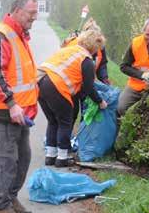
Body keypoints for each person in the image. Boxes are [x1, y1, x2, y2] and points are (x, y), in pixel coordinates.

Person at [0, 0, 39, 213]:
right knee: (7, 161)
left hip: (22, 113)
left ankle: (12, 197)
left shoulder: (19, 35)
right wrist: (11, 103)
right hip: (6, 112)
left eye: (36, 13)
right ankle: (2, 207)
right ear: (17, 11)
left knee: (24, 158)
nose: (34, 18)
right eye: (31, 13)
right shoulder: (1, 35)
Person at [38, 29, 108, 167]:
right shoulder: (86, 60)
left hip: (40, 83)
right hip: (56, 86)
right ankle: (62, 158)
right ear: (94, 46)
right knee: (65, 121)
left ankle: (50, 155)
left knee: (53, 121)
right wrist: (100, 102)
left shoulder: (69, 50)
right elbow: (88, 87)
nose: (97, 52)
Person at [61, 18, 110, 84]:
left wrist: (104, 78)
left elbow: (102, 64)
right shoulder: (75, 44)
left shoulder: (100, 46)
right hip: (68, 80)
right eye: (92, 37)